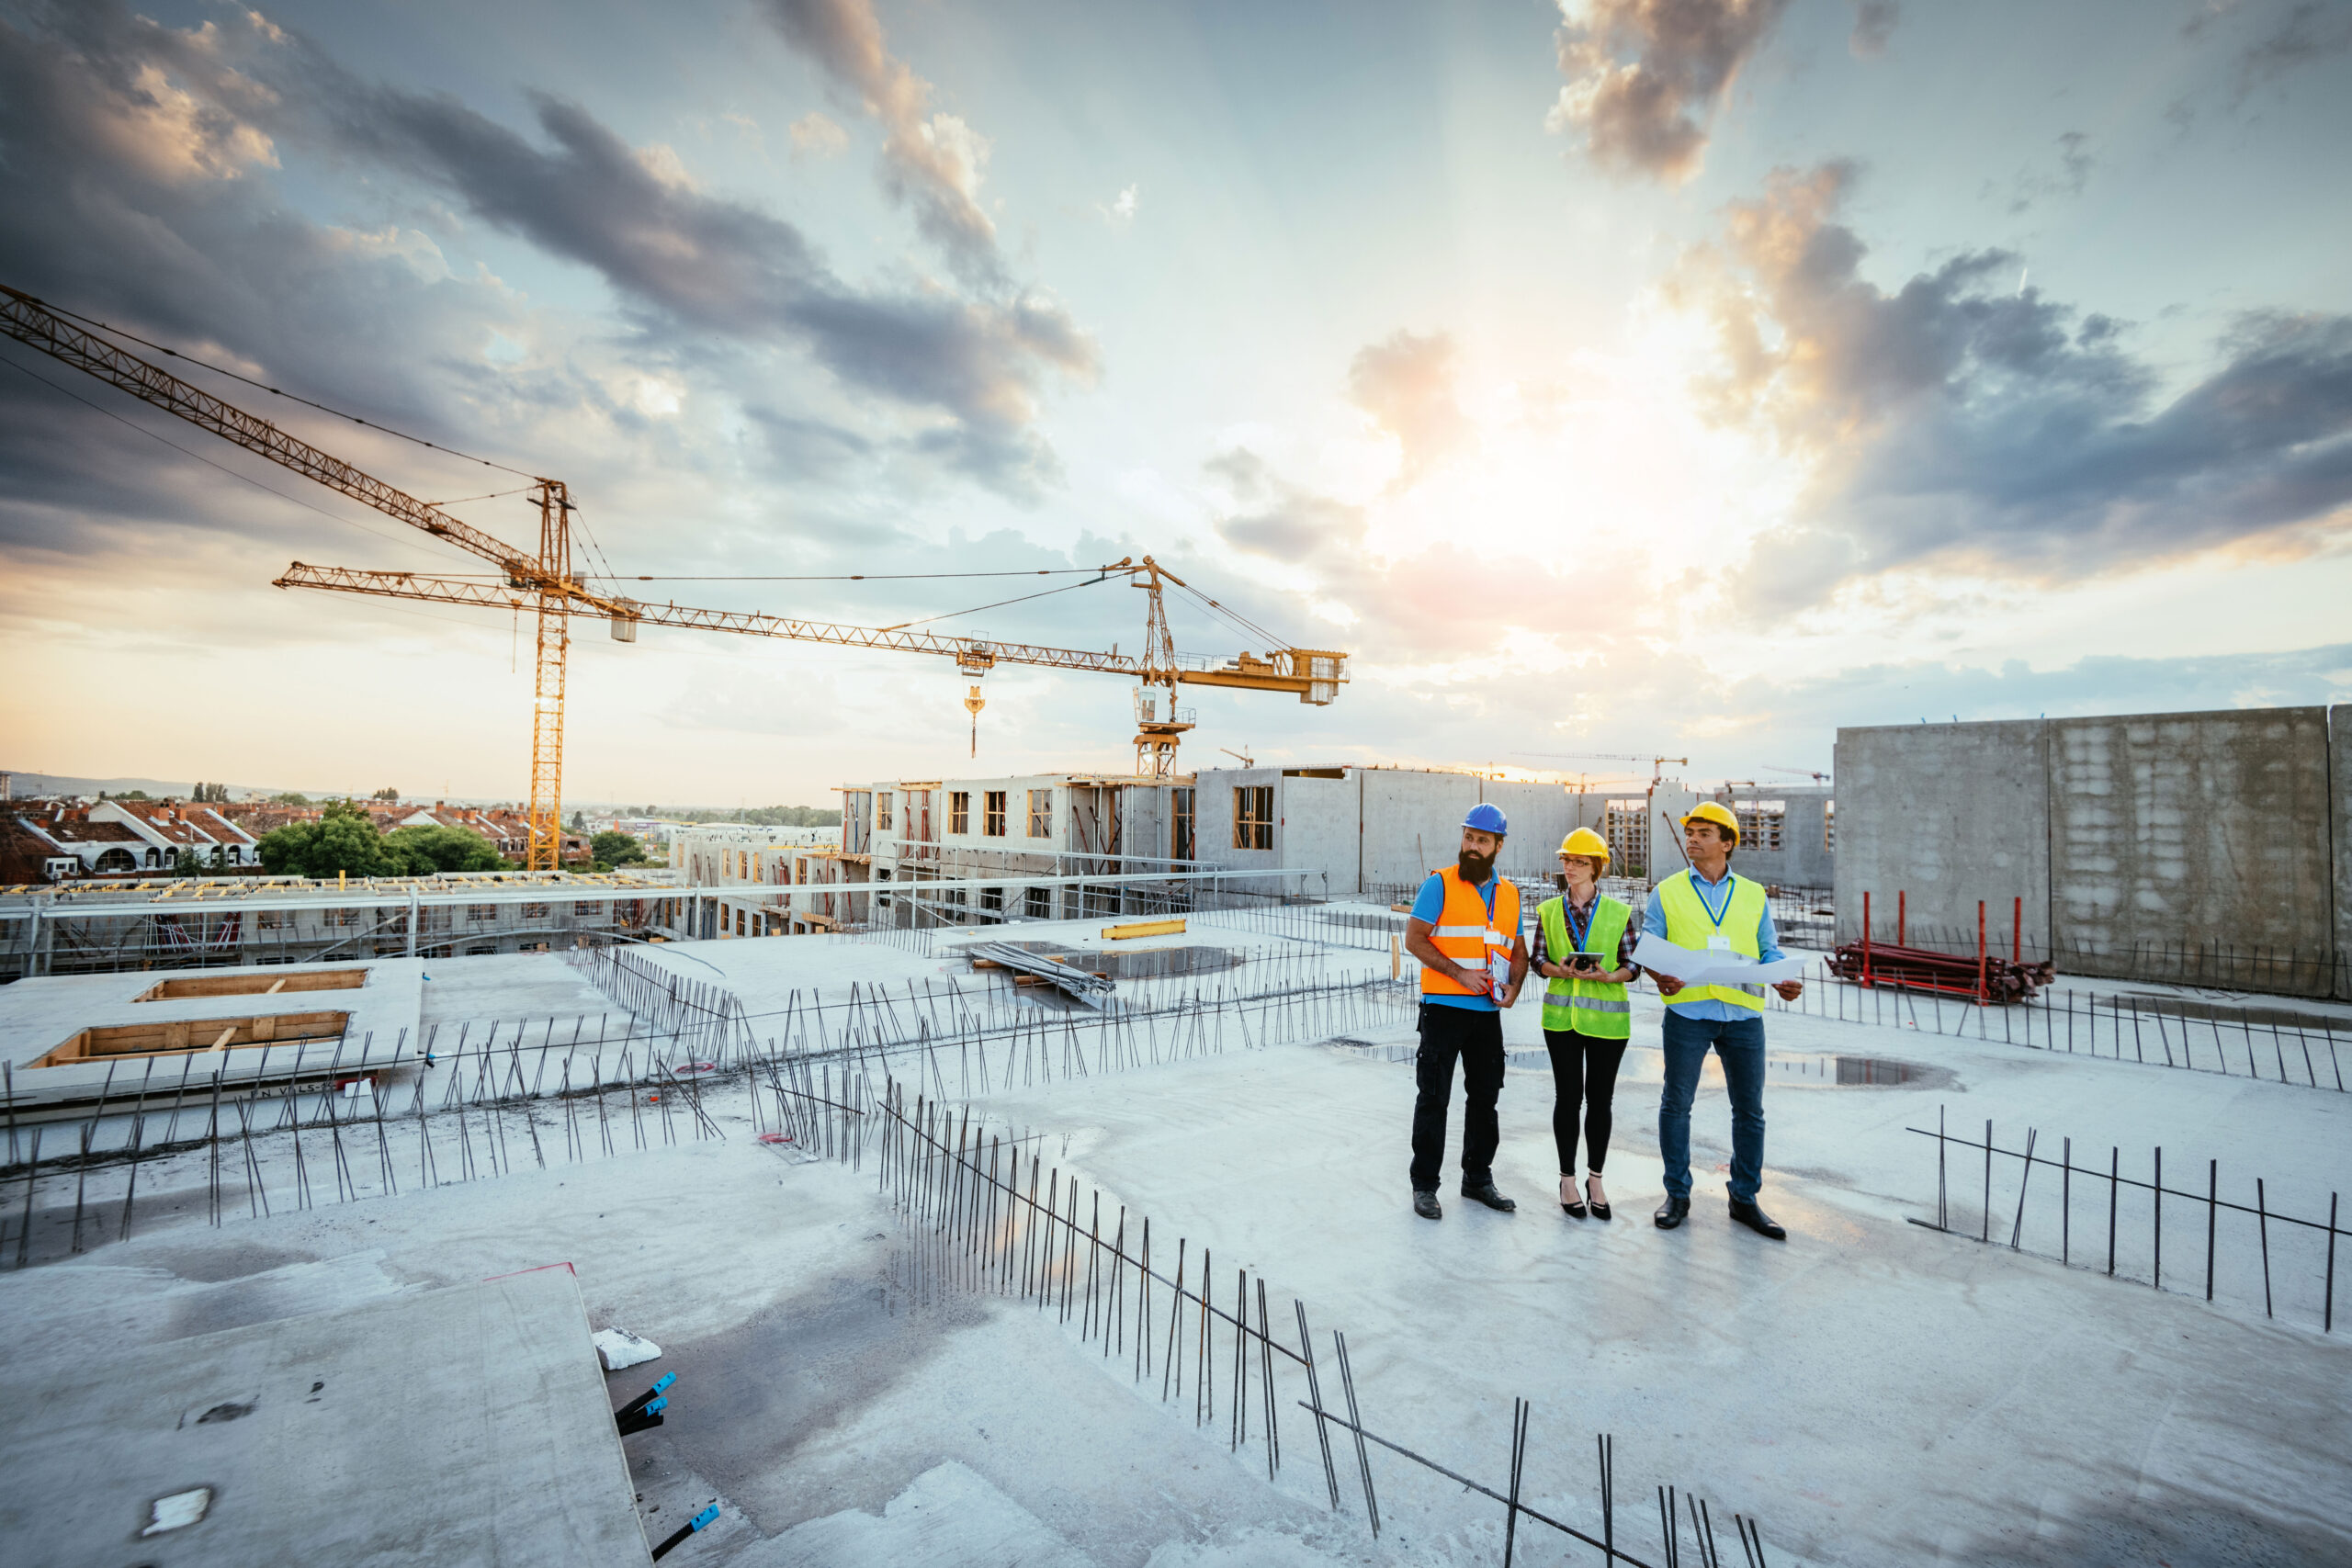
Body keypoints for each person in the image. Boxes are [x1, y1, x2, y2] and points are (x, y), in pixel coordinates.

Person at [1644, 801, 1805, 1240]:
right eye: (1690, 832)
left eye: (1702, 833)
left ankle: (1745, 1198)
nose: (1691, 839)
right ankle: (1677, 1194)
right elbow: (1649, 947)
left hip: (1742, 1017)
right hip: (1688, 1013)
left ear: (1727, 843)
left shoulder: (1753, 894)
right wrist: (1662, 977)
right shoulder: (1668, 891)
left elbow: (1768, 948)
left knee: (1749, 1111)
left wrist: (1783, 978)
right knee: (1677, 1106)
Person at [1400, 803, 1527, 1220]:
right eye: (1468, 837)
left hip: (1488, 1013)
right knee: (1434, 1098)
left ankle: (1477, 1179)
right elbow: (1415, 940)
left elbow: (1519, 952)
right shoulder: (1440, 884)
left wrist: (1513, 988)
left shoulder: (1510, 896)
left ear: (1498, 846)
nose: (1472, 847)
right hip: (1443, 1009)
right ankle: (1425, 1186)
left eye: (1482, 840)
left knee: (1485, 1098)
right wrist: (1460, 974)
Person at [1530, 828, 1637, 1220]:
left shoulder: (1618, 913)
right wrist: (1557, 969)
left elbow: (1632, 965)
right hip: (1561, 1021)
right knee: (1567, 1099)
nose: (1569, 868)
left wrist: (1609, 976)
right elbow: (1537, 960)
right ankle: (1567, 1179)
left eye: (1578, 862)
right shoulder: (1548, 911)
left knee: (1601, 1101)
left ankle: (1596, 1178)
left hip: (1608, 1024)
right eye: (1566, 861)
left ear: (1596, 868)